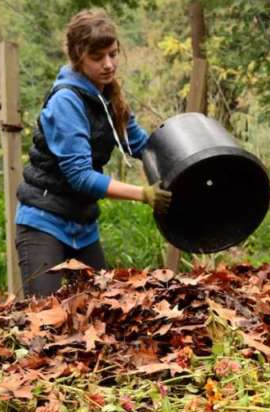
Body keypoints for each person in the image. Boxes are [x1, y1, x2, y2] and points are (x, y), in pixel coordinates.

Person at [15, 8, 171, 298]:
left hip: (83, 223)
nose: (109, 65)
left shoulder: (109, 96)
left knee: (103, 309)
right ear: (78, 57)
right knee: (43, 319)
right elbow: (81, 178)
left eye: (113, 54)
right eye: (97, 58)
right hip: (43, 221)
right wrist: (144, 194)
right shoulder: (66, 101)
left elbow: (141, 145)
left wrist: (186, 159)